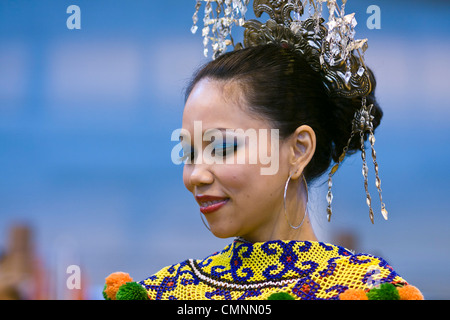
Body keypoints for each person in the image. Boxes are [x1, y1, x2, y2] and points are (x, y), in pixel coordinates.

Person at [102, 0, 423, 300]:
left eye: (222, 147)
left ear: (299, 150)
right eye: (188, 154)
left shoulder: (366, 289)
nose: (195, 175)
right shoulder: (163, 293)